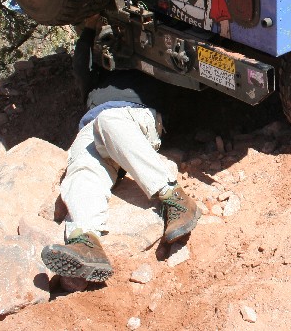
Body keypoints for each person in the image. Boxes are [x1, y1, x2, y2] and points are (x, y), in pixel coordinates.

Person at [41, 15, 200, 282]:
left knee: (108, 121)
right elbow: (80, 66)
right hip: (92, 128)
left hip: (135, 117)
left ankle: (174, 198)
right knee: (80, 168)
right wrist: (89, 29)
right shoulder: (97, 78)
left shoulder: (149, 63)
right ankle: (86, 241)